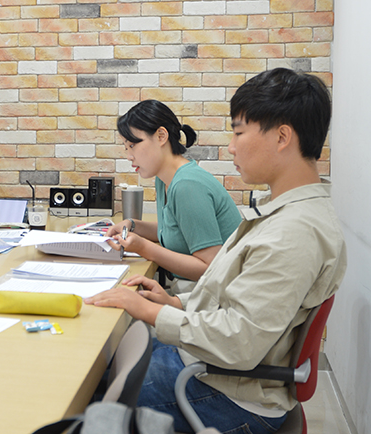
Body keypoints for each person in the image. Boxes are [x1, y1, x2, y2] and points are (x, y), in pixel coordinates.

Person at [85, 68, 347, 434]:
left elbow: (239, 341)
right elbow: (234, 296)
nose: (232, 147)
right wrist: (174, 303)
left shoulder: (294, 232)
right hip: (217, 372)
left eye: (239, 132)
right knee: (104, 363)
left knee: (91, 399)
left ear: (282, 137)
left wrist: (151, 310)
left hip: (227, 394)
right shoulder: (285, 213)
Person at [106, 100, 241, 291]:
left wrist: (143, 247)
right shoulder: (164, 179)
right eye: (126, 147)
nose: (129, 156)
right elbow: (176, 231)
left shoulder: (187, 185)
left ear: (161, 136)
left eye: (133, 145)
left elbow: (210, 268)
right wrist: (133, 225)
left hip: (216, 296)